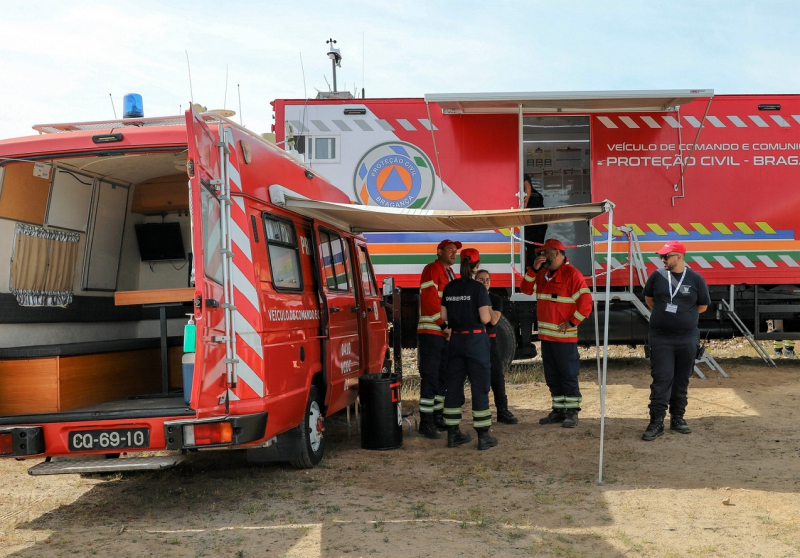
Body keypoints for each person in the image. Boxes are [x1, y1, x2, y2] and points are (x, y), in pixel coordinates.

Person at [641, 240, 710, 441]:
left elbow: (703, 306)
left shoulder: (695, 279)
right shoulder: (657, 276)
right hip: (661, 336)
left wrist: (683, 318)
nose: (662, 259)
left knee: (682, 379)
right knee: (662, 378)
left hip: (687, 337)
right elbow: (650, 300)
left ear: (678, 257)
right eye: (661, 256)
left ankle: (678, 418)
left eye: (666, 256)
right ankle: (656, 421)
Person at [521, 238, 592, 428]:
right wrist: (533, 270)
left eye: (546, 253)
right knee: (552, 376)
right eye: (541, 253)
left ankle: (572, 412)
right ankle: (558, 410)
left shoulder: (572, 275)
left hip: (564, 339)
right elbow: (525, 289)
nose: (542, 256)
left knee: (567, 374)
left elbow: (586, 304)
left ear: (558, 253)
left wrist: (571, 321)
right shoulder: (542, 273)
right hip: (547, 337)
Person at [441, 248, 498, 450]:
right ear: (476, 265)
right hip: (475, 341)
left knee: (453, 387)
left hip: (455, 340)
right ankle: (483, 436)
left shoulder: (450, 287)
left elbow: (443, 316)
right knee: (479, 387)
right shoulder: (478, 289)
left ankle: (453, 433)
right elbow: (485, 318)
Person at [416, 239, 461, 439]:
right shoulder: (432, 269)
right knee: (431, 377)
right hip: (432, 333)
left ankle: (437, 416)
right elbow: (429, 299)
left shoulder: (451, 274)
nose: (453, 253)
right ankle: (425, 422)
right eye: (450, 250)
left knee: (443, 376)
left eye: (455, 251)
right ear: (439, 251)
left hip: (444, 334)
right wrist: (444, 325)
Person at [475, 269, 518, 424]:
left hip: (491, 342)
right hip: (475, 342)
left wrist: (484, 300)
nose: (485, 282)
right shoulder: (471, 298)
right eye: (481, 280)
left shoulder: (495, 298)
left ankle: (503, 411)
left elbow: (493, 321)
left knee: (497, 378)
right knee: (479, 379)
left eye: (487, 280)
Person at [523, 173, 547, 266]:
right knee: (536, 250)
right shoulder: (538, 194)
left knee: (532, 251)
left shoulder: (529, 195)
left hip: (533, 227)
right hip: (539, 226)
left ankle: (536, 271)